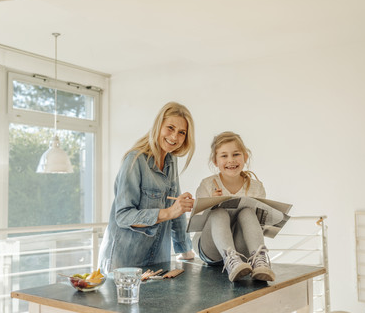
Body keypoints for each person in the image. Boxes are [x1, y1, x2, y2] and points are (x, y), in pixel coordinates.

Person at [98, 102, 196, 273]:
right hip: (123, 263)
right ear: (158, 125)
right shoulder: (134, 160)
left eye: (182, 133)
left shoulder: (171, 161)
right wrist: (168, 212)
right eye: (170, 128)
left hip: (157, 261)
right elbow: (123, 216)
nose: (174, 137)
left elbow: (177, 211)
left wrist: (185, 250)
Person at [194, 131, 275, 282]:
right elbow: (197, 223)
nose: (231, 160)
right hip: (211, 249)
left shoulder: (256, 188)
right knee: (218, 212)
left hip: (241, 251)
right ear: (215, 161)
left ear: (245, 157)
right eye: (224, 156)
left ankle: (259, 261)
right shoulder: (207, 185)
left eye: (236, 154)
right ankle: (231, 261)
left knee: (247, 212)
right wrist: (210, 203)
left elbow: (259, 225)